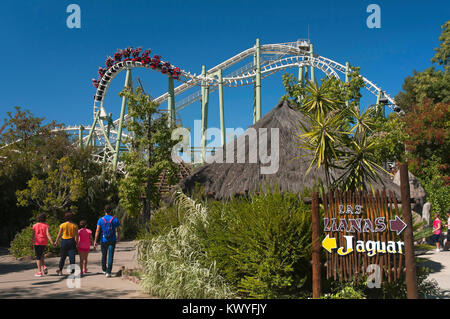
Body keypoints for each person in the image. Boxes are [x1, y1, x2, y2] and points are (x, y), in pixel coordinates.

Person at [94, 205, 120, 278]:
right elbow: (118, 229)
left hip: (103, 240)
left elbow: (97, 230)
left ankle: (104, 269)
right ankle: (108, 272)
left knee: (104, 255)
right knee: (110, 256)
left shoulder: (101, 219)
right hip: (112, 240)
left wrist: (95, 241)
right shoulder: (114, 219)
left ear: (104, 211)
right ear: (111, 211)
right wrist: (118, 237)